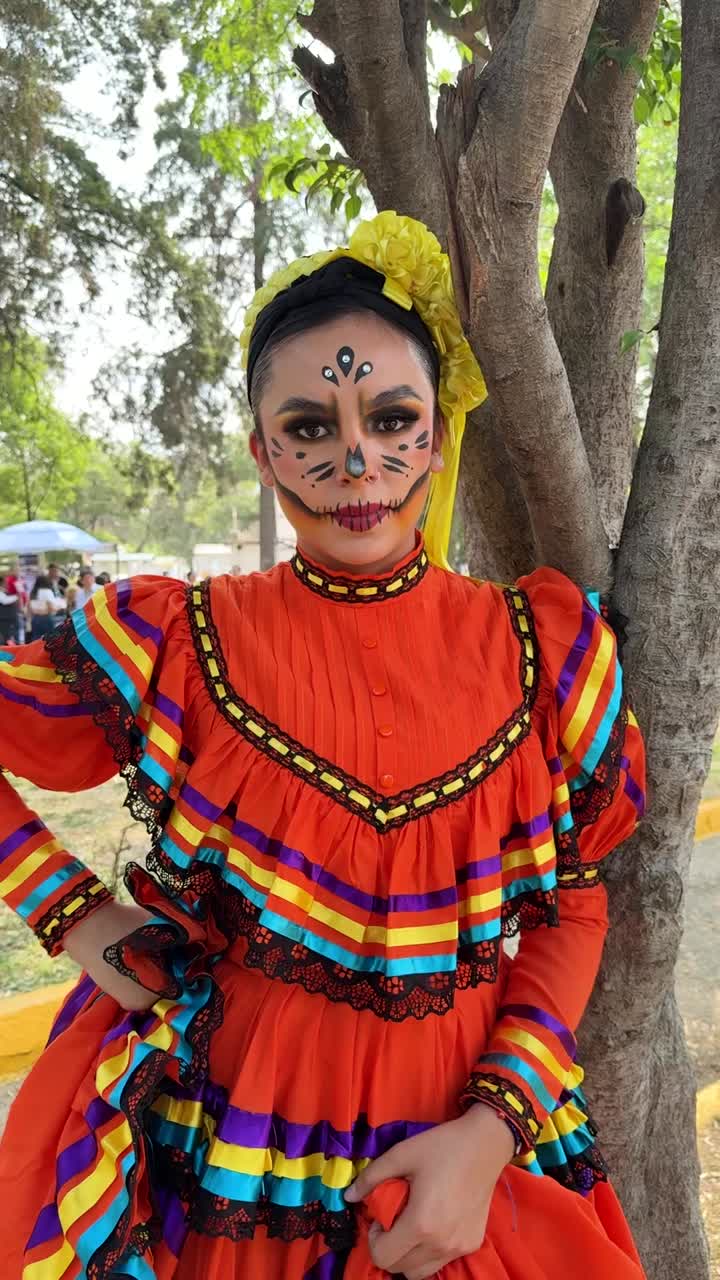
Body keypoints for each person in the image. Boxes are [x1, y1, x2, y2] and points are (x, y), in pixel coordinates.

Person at [0, 213, 646, 1280]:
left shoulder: (544, 649)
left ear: (437, 433)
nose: (357, 457)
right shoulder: (176, 642)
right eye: (309, 426)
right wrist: (70, 912)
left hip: (473, 1162)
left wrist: (490, 1137)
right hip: (226, 1174)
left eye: (393, 415)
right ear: (261, 451)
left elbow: (573, 902)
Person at [28, 573, 66, 642]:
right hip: (46, 619)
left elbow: (30, 608)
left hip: (35, 619)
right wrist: (60, 607)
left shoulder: (33, 593)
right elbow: (50, 608)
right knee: (49, 641)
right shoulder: (46, 591)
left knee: (36, 640)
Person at [0, 575, 18, 645]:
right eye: (5, 582)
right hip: (3, 619)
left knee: (8, 637)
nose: (7, 584)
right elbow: (4, 600)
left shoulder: (4, 591)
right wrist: (16, 597)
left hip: (8, 619)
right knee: (5, 637)